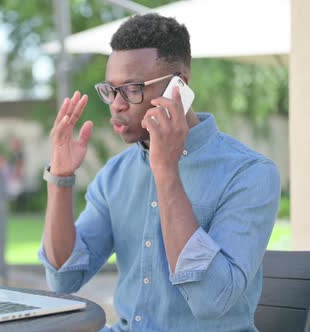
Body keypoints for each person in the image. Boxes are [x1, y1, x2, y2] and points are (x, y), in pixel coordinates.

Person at [38, 13, 280, 332]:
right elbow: (63, 278)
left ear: (178, 85)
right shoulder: (115, 174)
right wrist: (60, 180)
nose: (116, 104)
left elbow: (211, 301)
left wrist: (166, 171)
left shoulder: (250, 174)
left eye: (132, 89)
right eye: (111, 90)